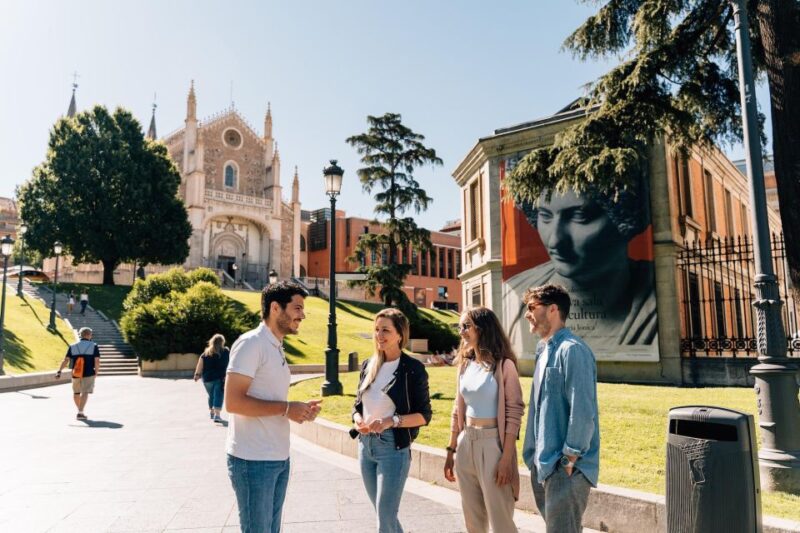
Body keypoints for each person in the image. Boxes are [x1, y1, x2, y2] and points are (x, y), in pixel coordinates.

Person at [503, 185, 657, 360]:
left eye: (579, 217)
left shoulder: (656, 299)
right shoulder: (512, 295)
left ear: (624, 219)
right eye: (545, 216)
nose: (555, 241)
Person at [224, 281, 322, 533]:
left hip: (278, 457)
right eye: (297, 308)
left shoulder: (276, 346)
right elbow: (233, 402)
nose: (302, 315)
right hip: (252, 461)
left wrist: (300, 411)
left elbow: (270, 397)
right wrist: (287, 408)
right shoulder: (251, 344)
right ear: (275, 308)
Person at [521, 284, 600, 533]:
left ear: (553, 309)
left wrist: (569, 459)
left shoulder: (573, 350)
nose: (527, 314)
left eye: (532, 307)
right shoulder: (543, 350)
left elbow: (583, 412)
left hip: (565, 468)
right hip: (543, 464)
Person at [350, 308, 432, 533]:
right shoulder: (368, 365)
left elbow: (424, 416)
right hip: (365, 446)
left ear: (400, 334)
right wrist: (357, 419)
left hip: (393, 449)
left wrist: (391, 421)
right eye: (377, 329)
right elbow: (357, 405)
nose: (379, 335)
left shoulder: (412, 369)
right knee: (384, 516)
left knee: (385, 518)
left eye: (385, 330)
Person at [443, 307, 525, 533]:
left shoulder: (504, 365)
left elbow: (514, 412)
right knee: (473, 522)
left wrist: (506, 458)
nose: (461, 331)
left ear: (483, 328)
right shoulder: (465, 365)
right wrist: (451, 450)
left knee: (501, 522)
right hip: (465, 443)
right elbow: (457, 410)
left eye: (466, 326)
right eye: (460, 327)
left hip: (493, 446)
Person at [55, 327, 101, 420]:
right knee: (85, 392)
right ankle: (80, 412)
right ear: (88, 335)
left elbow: (66, 360)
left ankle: (80, 411)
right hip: (88, 372)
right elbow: (97, 360)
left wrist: (59, 371)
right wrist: (96, 372)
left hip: (76, 373)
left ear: (81, 335)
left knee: (76, 392)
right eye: (91, 334)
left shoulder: (72, 346)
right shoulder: (93, 345)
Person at [194, 333, 230, 423]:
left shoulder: (205, 353)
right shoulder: (226, 351)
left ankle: (212, 411)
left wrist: (197, 375)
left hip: (207, 379)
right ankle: (217, 415)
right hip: (220, 378)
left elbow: (200, 364)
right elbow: (230, 364)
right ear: (222, 342)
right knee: (218, 395)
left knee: (211, 395)